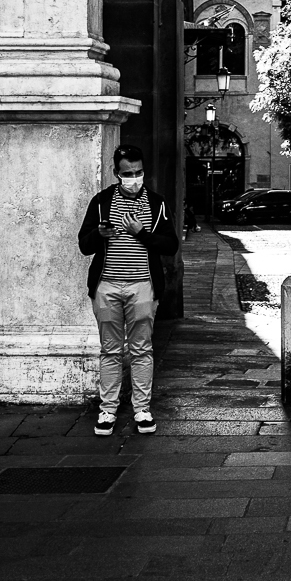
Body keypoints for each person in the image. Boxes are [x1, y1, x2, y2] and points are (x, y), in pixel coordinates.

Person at [77, 145, 178, 437]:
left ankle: (142, 410)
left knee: (142, 349)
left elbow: (170, 245)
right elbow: (84, 244)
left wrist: (141, 233)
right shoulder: (101, 202)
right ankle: (107, 410)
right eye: (127, 174)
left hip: (143, 287)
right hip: (107, 286)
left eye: (138, 173)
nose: (134, 179)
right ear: (116, 174)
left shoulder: (157, 204)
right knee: (110, 350)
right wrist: (100, 234)